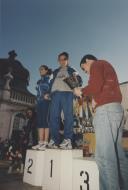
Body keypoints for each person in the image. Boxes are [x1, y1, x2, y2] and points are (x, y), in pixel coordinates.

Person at [74, 54, 128, 190]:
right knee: (118, 156)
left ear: (87, 61)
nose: (86, 72)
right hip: (116, 109)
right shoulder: (106, 66)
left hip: (106, 111)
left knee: (104, 158)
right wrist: (95, 99)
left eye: (84, 68)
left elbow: (95, 86)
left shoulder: (96, 65)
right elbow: (101, 88)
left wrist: (80, 91)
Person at [48, 52, 82, 149]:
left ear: (67, 60)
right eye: (60, 59)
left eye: (64, 59)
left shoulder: (72, 69)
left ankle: (68, 140)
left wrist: (74, 85)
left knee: (68, 116)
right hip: (55, 94)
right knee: (53, 117)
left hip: (67, 93)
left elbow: (79, 80)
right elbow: (50, 82)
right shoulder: (54, 72)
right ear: (58, 61)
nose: (62, 61)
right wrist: (48, 92)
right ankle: (54, 140)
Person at [32, 65, 52, 150]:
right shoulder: (39, 81)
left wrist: (49, 95)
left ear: (46, 70)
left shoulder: (50, 79)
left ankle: (45, 142)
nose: (40, 71)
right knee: (40, 123)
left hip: (46, 103)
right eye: (39, 69)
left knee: (45, 122)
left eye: (42, 69)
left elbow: (53, 89)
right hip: (39, 103)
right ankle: (40, 142)